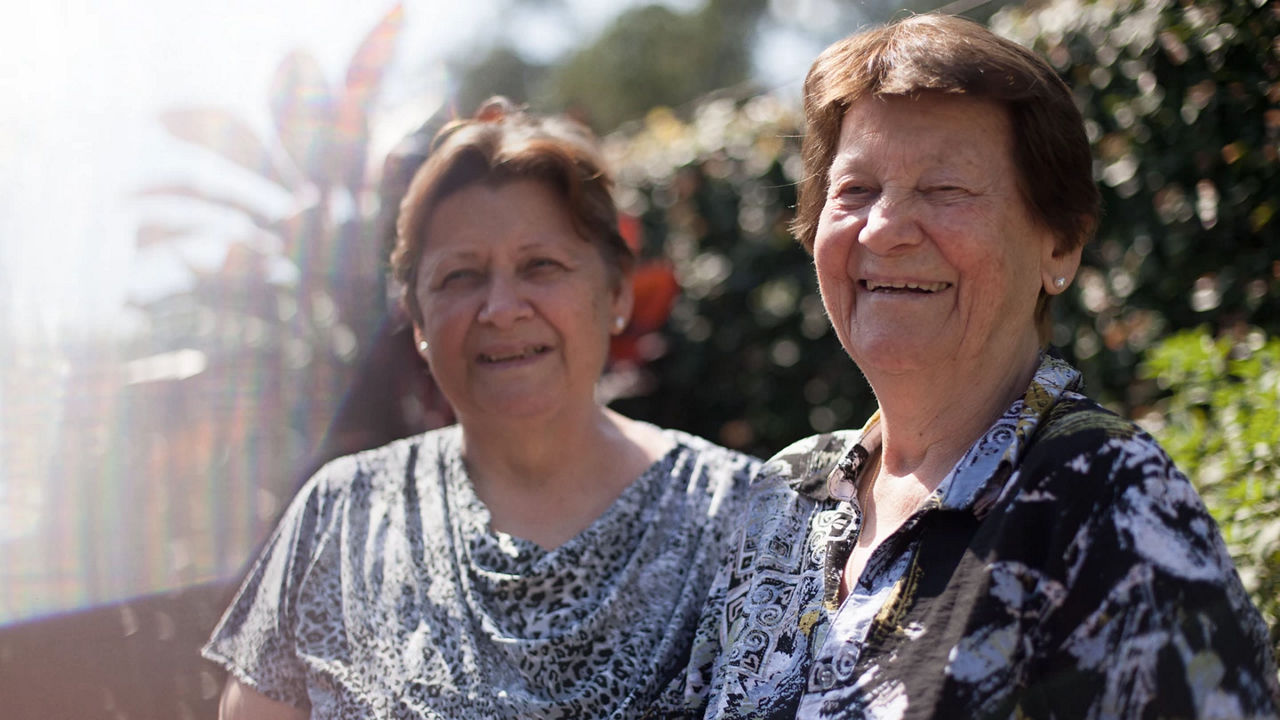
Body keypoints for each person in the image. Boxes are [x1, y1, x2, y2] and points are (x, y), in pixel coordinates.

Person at [661, 14, 1280, 719]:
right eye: (855, 191)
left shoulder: (1107, 502)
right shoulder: (787, 495)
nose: (885, 229)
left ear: (1060, 248)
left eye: (947, 190)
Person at [202, 98, 759, 719]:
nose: (500, 309)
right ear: (417, 318)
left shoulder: (739, 520)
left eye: (540, 266)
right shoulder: (339, 515)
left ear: (617, 291)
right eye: (460, 277)